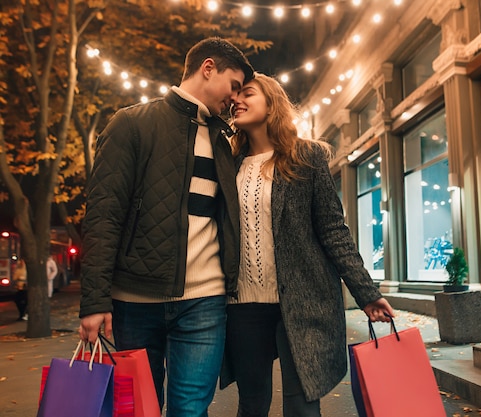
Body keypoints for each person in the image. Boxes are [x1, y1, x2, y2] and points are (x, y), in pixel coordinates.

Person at [78, 37, 254, 416]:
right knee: (139, 410)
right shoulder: (131, 124)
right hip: (133, 302)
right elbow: (103, 216)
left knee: (190, 411)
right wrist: (94, 302)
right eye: (234, 86)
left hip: (205, 303)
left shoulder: (224, 143)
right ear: (208, 68)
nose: (235, 99)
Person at [220, 73, 395, 417]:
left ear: (272, 104)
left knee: (302, 406)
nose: (236, 100)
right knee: (252, 403)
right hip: (242, 305)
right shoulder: (227, 163)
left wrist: (367, 292)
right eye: (234, 95)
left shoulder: (307, 157)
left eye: (248, 93)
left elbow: (333, 230)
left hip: (304, 301)